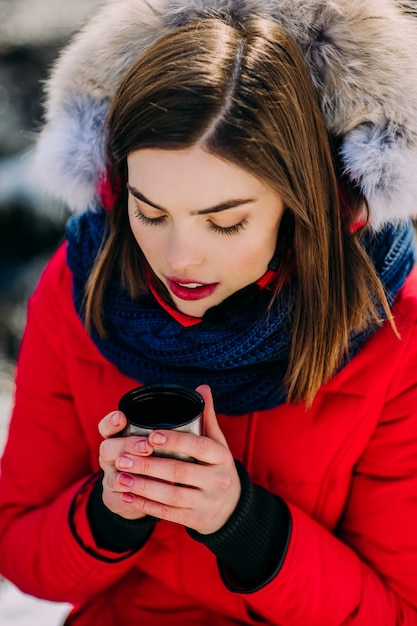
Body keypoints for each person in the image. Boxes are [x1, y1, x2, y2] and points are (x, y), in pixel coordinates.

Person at [1, 0, 417, 623]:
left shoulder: (396, 328)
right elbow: (21, 552)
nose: (178, 258)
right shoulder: (81, 281)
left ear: (304, 202)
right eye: (149, 212)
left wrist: (244, 525)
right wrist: (108, 511)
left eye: (225, 222)